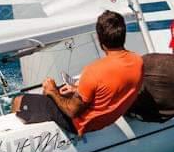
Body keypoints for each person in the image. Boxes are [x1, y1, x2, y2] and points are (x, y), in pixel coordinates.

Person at [11, 10, 144, 136]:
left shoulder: (93, 71)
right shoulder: (138, 62)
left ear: (100, 40)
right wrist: (76, 89)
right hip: (105, 117)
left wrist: (53, 92)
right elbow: (112, 85)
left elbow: (71, 111)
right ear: (123, 35)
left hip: (80, 124)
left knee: (20, 100)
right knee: (60, 92)